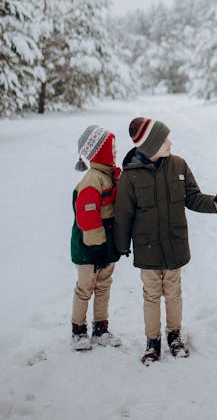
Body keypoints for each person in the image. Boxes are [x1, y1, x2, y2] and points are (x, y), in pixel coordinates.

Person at [113, 117, 217, 365]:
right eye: (164, 140)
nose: (170, 143)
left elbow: (193, 197)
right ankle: (152, 341)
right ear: (151, 145)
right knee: (152, 295)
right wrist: (121, 245)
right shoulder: (130, 177)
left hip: (174, 243)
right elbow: (123, 214)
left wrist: (215, 204)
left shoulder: (178, 165)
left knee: (173, 292)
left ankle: (174, 335)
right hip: (147, 247)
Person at [70, 124, 122, 350]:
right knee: (85, 288)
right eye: (112, 147)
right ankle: (78, 331)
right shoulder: (93, 180)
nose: (116, 152)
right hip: (89, 247)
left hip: (105, 245)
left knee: (103, 286)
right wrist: (97, 247)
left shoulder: (107, 176)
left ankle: (100, 328)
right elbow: (88, 217)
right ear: (100, 151)